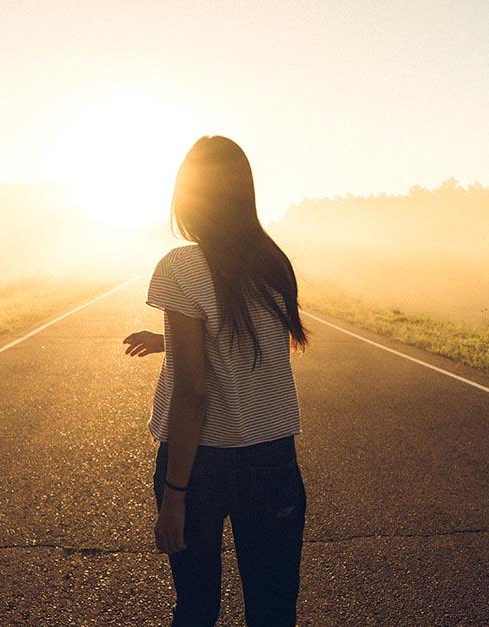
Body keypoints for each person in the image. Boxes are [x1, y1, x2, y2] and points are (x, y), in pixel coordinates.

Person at [123, 135, 311, 626]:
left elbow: (192, 392)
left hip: (201, 465)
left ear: (188, 194)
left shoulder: (180, 266)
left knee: (197, 607)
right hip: (272, 459)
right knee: (273, 611)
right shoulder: (273, 263)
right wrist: (169, 336)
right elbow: (241, 338)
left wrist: (175, 494)